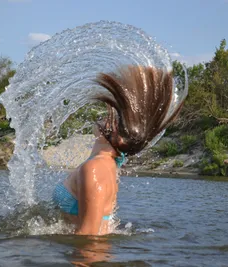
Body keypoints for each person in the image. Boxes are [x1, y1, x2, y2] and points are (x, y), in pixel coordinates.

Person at [53, 65, 185, 235]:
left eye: (115, 118)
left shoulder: (95, 169)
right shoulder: (105, 165)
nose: (107, 116)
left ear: (120, 138)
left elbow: (89, 240)